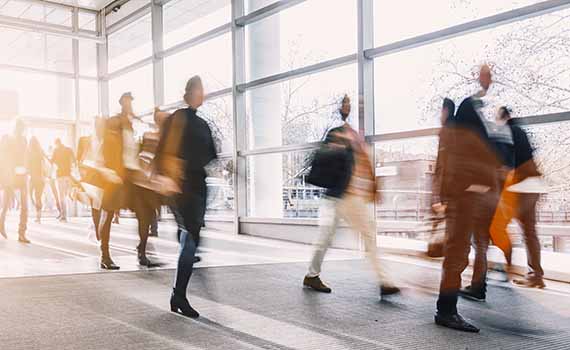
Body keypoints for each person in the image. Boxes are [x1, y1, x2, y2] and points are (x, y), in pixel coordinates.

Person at [303, 95, 400, 297]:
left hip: (349, 197)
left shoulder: (356, 136)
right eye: (346, 103)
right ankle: (383, 280)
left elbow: (364, 164)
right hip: (340, 195)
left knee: (353, 235)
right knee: (335, 237)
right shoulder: (338, 133)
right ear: (341, 108)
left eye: (352, 104)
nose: (350, 107)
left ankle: (383, 281)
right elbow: (325, 159)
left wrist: (374, 186)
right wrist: (337, 146)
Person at [434, 65, 502, 333]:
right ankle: (446, 311)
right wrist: (475, 187)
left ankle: (446, 309)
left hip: (462, 203)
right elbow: (455, 173)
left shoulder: (455, 136)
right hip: (462, 204)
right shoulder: (460, 139)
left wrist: (483, 88)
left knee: (457, 255)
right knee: (457, 256)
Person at [155, 76, 217, 319]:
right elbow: (164, 151)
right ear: (189, 93)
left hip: (195, 187)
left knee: (190, 237)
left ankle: (178, 294)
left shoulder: (201, 123)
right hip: (183, 187)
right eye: (199, 89)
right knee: (190, 237)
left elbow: (210, 154)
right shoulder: (180, 119)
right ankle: (178, 295)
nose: (202, 94)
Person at [99, 92, 158, 269]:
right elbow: (108, 148)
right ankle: (105, 256)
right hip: (116, 175)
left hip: (132, 175)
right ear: (122, 104)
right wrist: (110, 171)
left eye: (131, 103)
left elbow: (133, 152)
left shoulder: (132, 127)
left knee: (145, 212)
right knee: (108, 214)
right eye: (127, 103)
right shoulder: (114, 123)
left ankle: (141, 252)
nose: (130, 106)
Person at [500, 107, 545, 288]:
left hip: (521, 185)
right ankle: (536, 275)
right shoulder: (521, 131)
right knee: (529, 231)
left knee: (499, 224)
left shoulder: (509, 132)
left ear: (503, 118)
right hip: (533, 184)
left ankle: (507, 269)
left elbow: (506, 161)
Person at [428, 98, 455, 257]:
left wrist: (438, 197)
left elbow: (442, 166)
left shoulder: (447, 132)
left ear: (446, 111)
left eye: (441, 111)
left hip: (447, 191)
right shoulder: (456, 132)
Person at [0, 119, 30, 243]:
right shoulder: (7, 139)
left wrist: (26, 169)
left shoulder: (24, 140)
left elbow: (25, 156)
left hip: (21, 174)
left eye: (21, 128)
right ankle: (1, 224)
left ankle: (21, 233)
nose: (20, 130)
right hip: (10, 175)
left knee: (24, 205)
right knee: (6, 204)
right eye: (19, 128)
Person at [51, 138, 75, 222]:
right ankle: (66, 213)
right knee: (67, 194)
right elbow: (74, 161)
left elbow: (51, 161)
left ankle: (64, 216)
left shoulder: (56, 150)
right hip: (68, 175)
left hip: (60, 175)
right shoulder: (69, 149)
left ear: (56, 143)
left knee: (61, 197)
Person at [28, 137, 47, 223]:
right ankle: (38, 215)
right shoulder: (39, 152)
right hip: (39, 178)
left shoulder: (30, 153)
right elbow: (44, 164)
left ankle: (38, 215)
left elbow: (28, 166)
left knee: (33, 196)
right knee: (37, 197)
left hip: (34, 178)